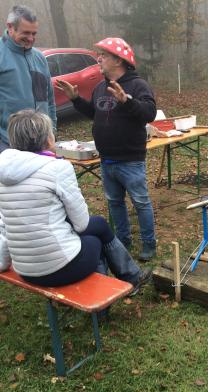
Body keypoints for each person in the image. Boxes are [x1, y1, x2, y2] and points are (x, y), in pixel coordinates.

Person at [0, 109, 151, 294]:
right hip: (59, 268)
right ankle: (110, 296)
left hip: (26, 270)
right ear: (48, 139)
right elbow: (81, 224)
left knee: (100, 226)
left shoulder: (3, 173)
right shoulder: (57, 168)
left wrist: (3, 262)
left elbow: (3, 228)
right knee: (95, 240)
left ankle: (131, 279)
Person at [56, 38, 157, 261]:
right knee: (115, 203)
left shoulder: (138, 85)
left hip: (131, 159)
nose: (98, 58)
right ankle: (123, 240)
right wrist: (75, 99)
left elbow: (149, 113)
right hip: (107, 159)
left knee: (140, 202)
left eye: (103, 54)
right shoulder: (100, 87)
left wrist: (127, 101)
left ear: (119, 60)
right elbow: (95, 113)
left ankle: (149, 243)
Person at [0, 5, 56, 153]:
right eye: (26, 33)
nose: (31, 38)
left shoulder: (39, 58)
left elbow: (49, 99)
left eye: (34, 33)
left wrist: (52, 131)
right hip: (7, 145)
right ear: (10, 27)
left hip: (41, 143)